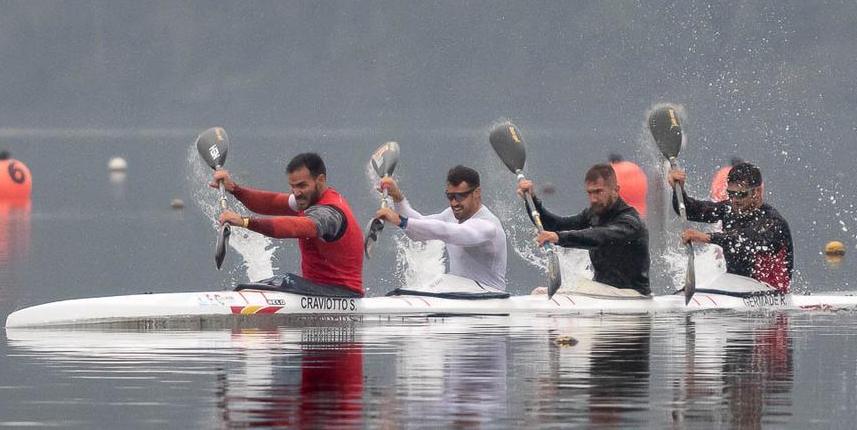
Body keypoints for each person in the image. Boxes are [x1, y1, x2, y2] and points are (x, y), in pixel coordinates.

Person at [213, 152, 364, 296]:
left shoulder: (330, 214)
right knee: (262, 286)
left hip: (341, 294)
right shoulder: (307, 199)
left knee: (280, 282)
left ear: (320, 180)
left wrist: (244, 222)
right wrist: (234, 189)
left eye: (302, 185)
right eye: (293, 186)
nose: (296, 192)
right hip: (317, 290)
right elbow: (270, 203)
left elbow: (296, 227)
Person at [518, 163, 651, 297]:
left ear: (615, 190)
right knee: (539, 294)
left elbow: (599, 236)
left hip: (632, 294)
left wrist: (558, 237)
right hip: (603, 290)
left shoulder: (630, 221)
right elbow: (554, 225)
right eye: (589, 192)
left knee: (554, 294)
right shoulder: (593, 213)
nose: (593, 199)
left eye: (599, 191)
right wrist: (532, 201)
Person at [374, 165, 507, 292]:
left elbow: (451, 232)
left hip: (490, 296)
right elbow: (418, 229)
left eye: (461, 196)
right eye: (450, 196)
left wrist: (400, 220)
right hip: (460, 292)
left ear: (477, 192)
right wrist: (397, 197)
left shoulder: (488, 225)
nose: (454, 203)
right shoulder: (450, 215)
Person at [669, 161, 793, 292]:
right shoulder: (729, 208)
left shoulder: (774, 222)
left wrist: (706, 237)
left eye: (740, 194)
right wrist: (679, 190)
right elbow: (691, 210)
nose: (734, 200)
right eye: (731, 193)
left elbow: (744, 240)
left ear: (757, 191)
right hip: (734, 285)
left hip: (769, 292)